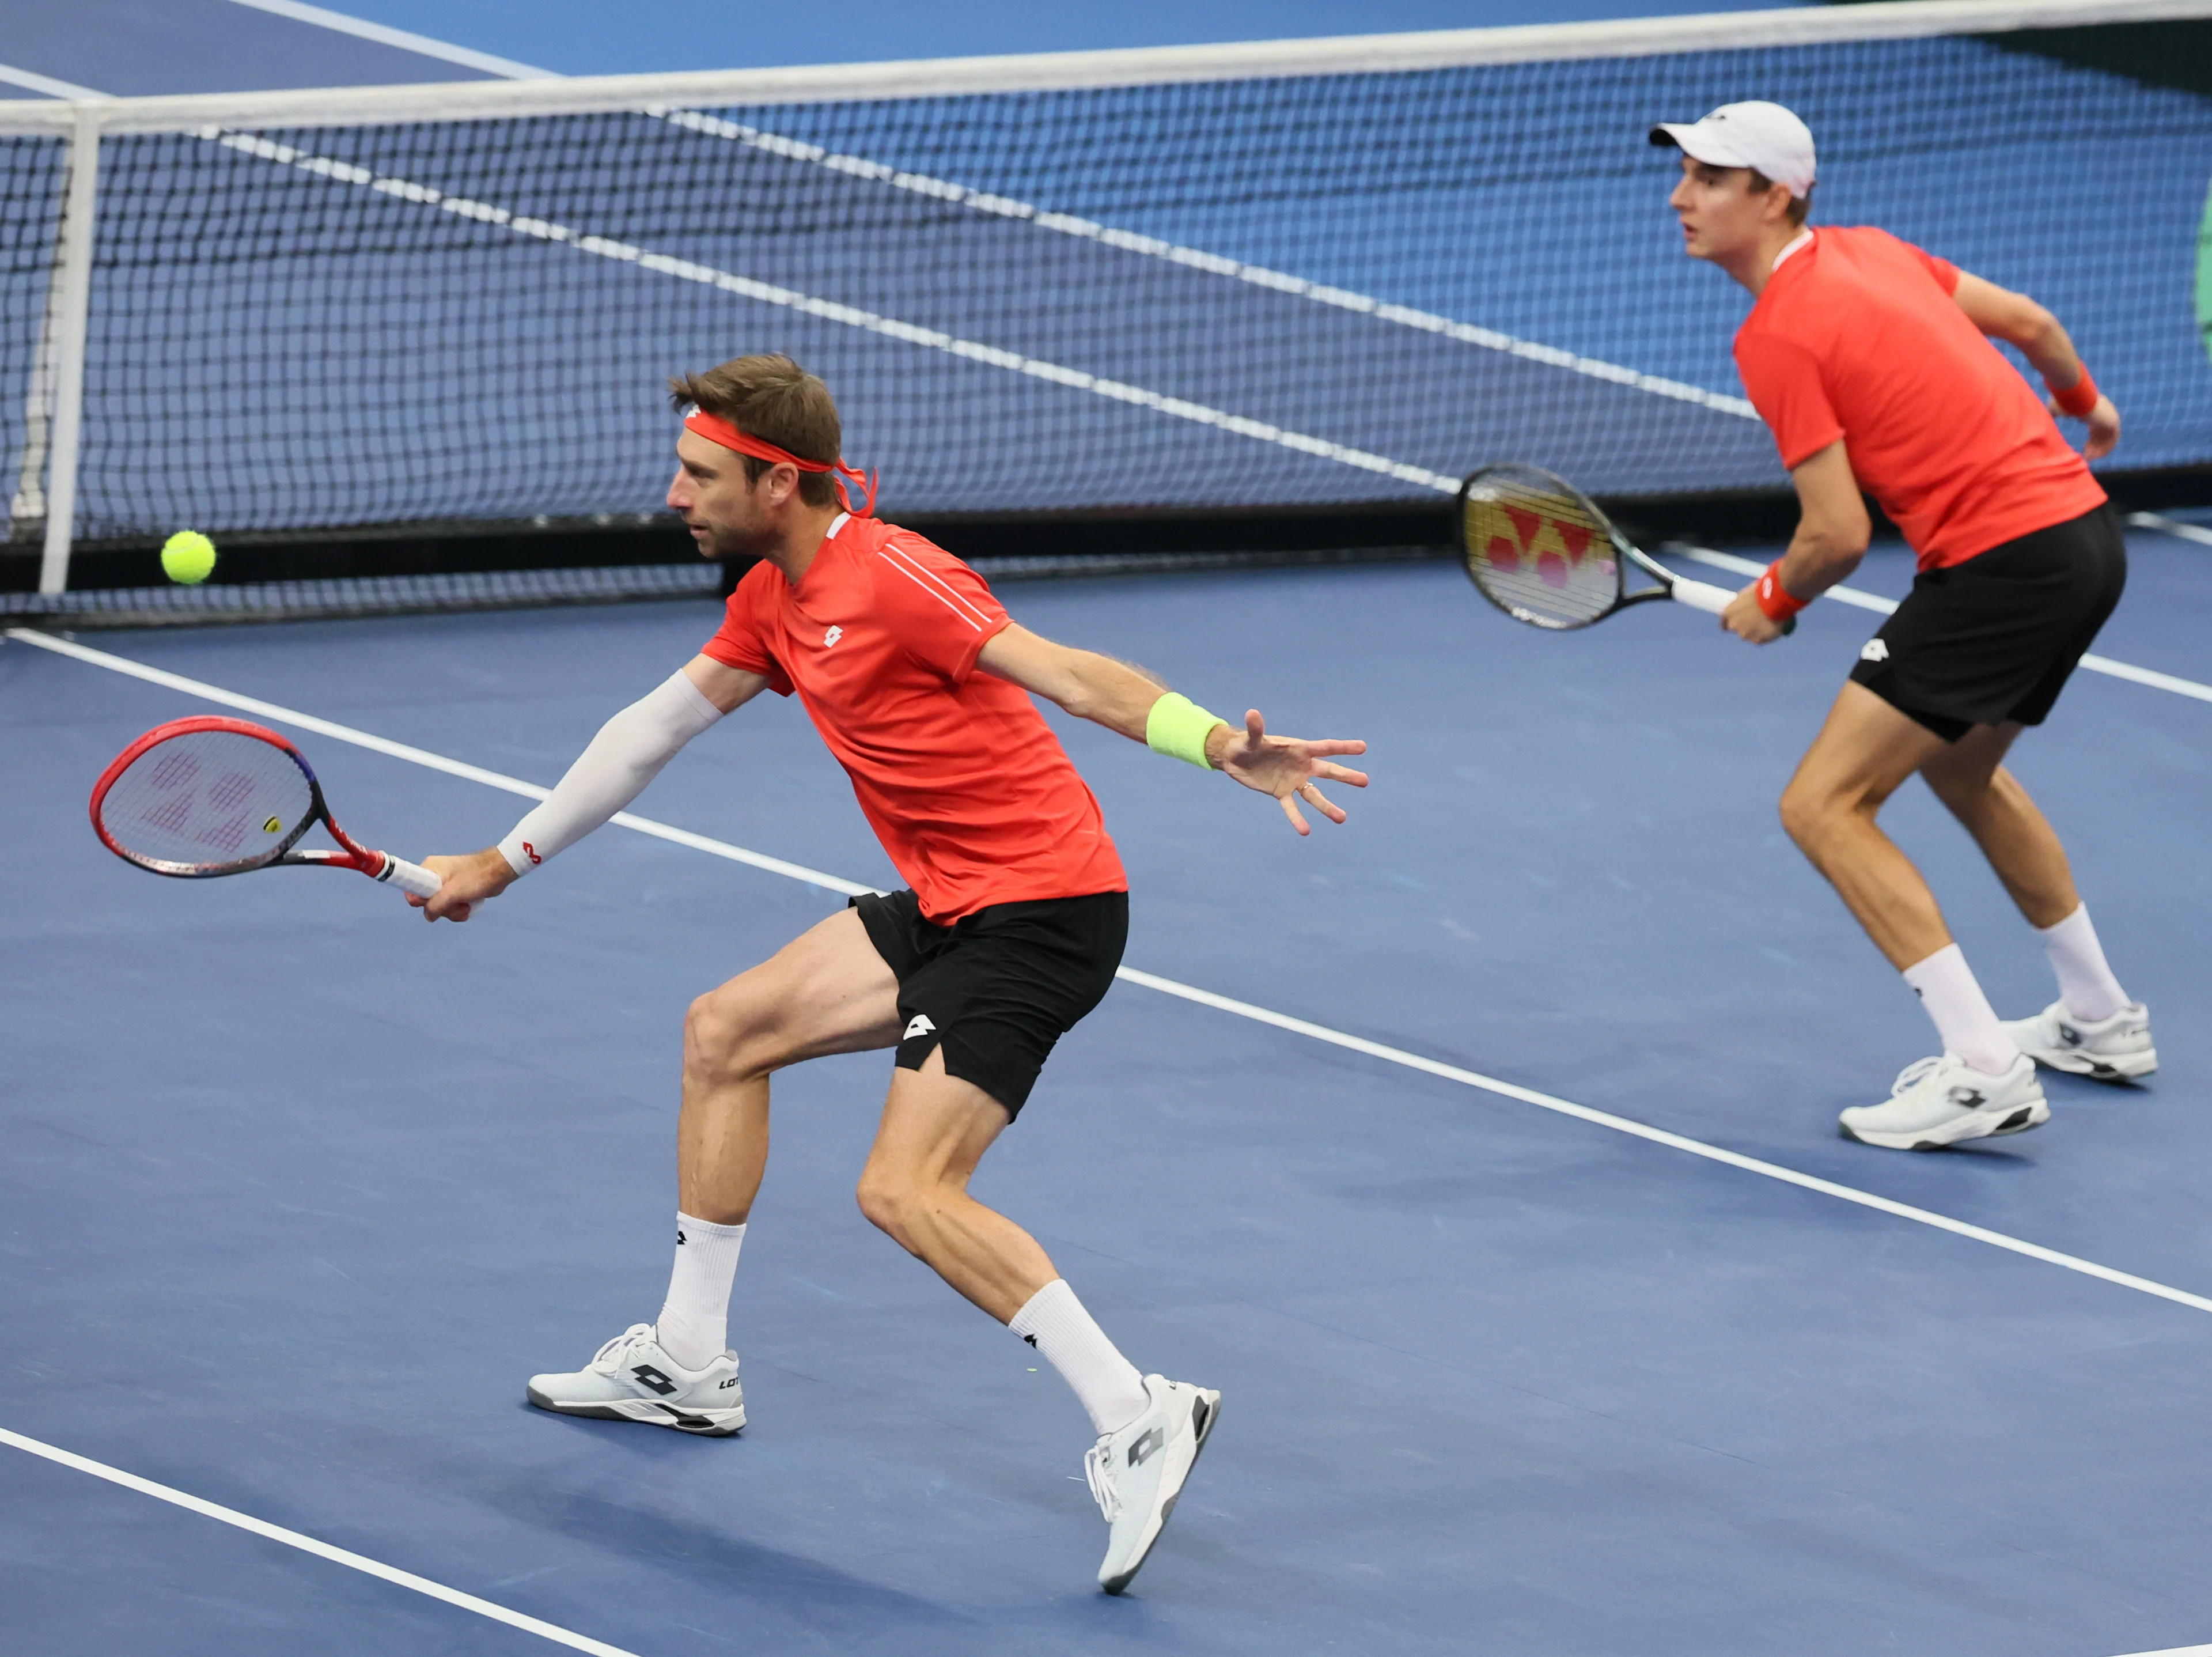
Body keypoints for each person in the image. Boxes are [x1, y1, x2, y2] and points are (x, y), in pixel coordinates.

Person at [412, 353, 1368, 1591]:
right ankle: (689, 1361)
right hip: (952, 905)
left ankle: (1137, 1408)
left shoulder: (896, 574)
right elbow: (653, 727)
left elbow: (1074, 675)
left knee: (907, 1191)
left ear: (780, 480)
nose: (674, 494)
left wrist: (1214, 749)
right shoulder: (770, 594)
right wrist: (506, 857)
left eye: (701, 474)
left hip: (1042, 914)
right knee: (727, 1030)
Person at [1649, 101, 2153, 1151]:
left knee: (1823, 805)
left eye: (1709, 179)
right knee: (1963, 768)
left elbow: (1834, 535)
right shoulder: (1877, 252)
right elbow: (2035, 327)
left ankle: (1982, 1070)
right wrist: (2088, 405)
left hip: (2002, 565)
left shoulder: (1778, 333)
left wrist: (1776, 602)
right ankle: (2101, 1018)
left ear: (1775, 196)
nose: (1680, 197)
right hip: (2084, 540)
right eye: (1684, 173)